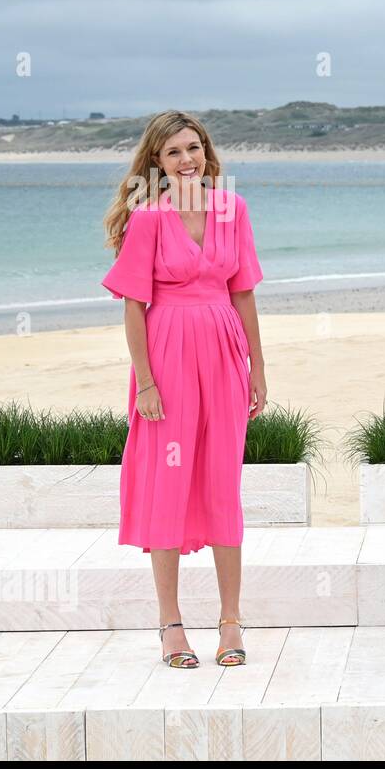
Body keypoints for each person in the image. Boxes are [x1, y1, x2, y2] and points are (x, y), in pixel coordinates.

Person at [100, 110, 266, 668]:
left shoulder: (232, 209)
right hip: (166, 357)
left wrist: (258, 369)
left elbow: (243, 294)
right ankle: (171, 624)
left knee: (223, 483)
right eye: (173, 153)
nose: (187, 159)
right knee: (167, 485)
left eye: (193, 148)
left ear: (206, 150)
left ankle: (230, 620)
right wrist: (145, 382)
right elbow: (133, 306)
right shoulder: (148, 219)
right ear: (157, 163)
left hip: (223, 355)